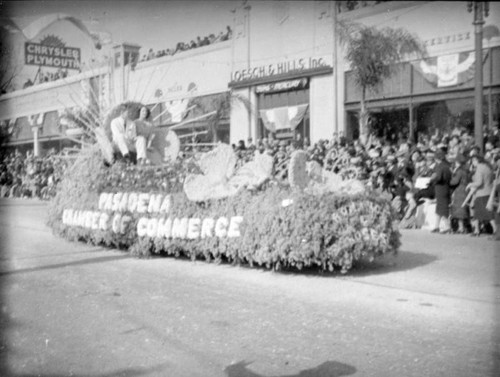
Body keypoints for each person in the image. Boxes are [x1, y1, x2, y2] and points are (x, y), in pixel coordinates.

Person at [466, 154, 496, 237]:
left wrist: (470, 184)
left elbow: (479, 182)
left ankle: (494, 230)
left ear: (476, 160)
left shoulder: (479, 168)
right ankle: (477, 230)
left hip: (481, 193)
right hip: (488, 192)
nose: (473, 163)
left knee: (483, 213)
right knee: (484, 212)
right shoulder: (488, 167)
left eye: (473, 161)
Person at [430, 149, 452, 234]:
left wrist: (431, 180)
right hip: (445, 187)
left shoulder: (440, 166)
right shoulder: (447, 165)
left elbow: (438, 178)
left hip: (440, 188)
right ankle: (437, 226)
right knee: (439, 208)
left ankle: (447, 227)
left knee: (442, 208)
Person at [449, 154, 470, 233]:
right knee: (462, 209)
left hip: (459, 190)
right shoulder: (466, 170)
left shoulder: (459, 171)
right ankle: (463, 227)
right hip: (464, 190)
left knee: (459, 210)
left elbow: (455, 182)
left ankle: (461, 228)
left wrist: (449, 180)